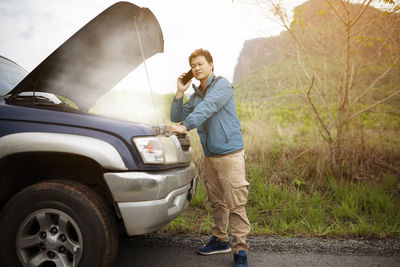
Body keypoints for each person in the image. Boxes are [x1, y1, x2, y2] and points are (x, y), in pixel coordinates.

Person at [168, 49, 250, 267]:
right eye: (193, 65)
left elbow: (207, 108)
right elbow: (176, 116)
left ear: (211, 65)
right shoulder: (196, 95)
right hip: (210, 155)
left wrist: (185, 127)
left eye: (200, 64)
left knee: (236, 203)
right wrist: (179, 92)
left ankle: (240, 250)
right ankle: (220, 240)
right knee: (217, 203)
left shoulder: (221, 86)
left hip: (230, 155)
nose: (196, 68)